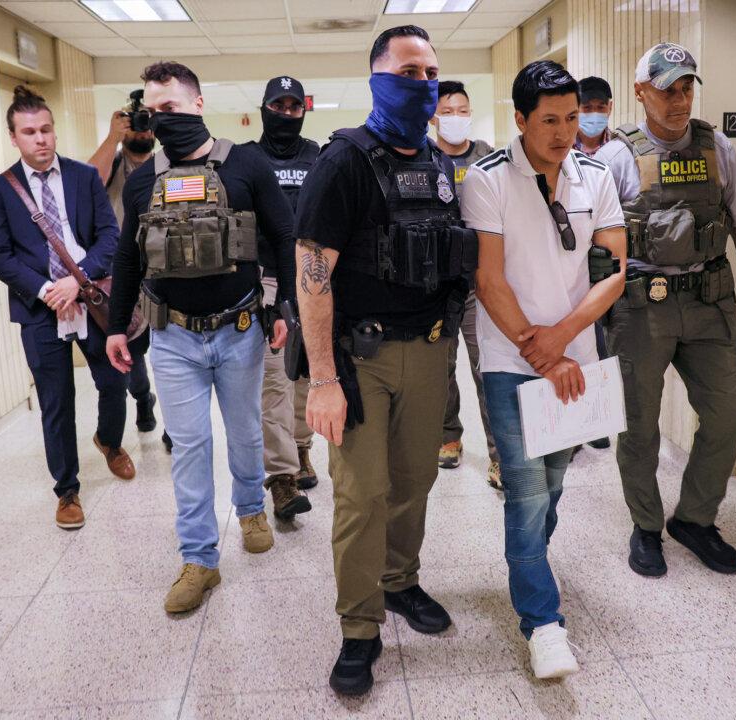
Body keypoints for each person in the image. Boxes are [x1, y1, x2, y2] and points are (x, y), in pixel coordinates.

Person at [295, 25, 476, 696]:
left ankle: (400, 582)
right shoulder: (343, 162)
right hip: (360, 359)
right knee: (361, 496)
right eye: (408, 71)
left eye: (432, 71)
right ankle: (359, 627)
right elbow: (311, 275)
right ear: (376, 79)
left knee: (415, 482)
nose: (424, 83)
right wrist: (322, 380)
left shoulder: (435, 163)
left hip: (430, 353)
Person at [104, 61, 295, 614]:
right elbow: (127, 255)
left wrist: (283, 305)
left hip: (239, 329)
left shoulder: (247, 165)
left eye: (174, 107)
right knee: (189, 446)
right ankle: (199, 559)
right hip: (173, 338)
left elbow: (283, 234)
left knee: (244, 433)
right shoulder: (144, 179)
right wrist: (118, 326)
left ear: (198, 103)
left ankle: (251, 507)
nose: (165, 118)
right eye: (155, 110)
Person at [462, 61, 626, 679]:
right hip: (511, 360)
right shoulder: (488, 179)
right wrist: (539, 351)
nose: (563, 132)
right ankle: (542, 622)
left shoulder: (596, 175)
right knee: (527, 493)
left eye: (571, 118)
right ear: (521, 120)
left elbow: (613, 269)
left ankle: (529, 560)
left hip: (575, 358)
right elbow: (488, 277)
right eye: (549, 120)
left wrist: (560, 344)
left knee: (554, 485)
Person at [594, 43, 736, 578]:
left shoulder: (716, 147)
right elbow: (595, 250)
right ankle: (646, 525)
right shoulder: (614, 158)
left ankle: (695, 519)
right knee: (638, 426)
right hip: (639, 308)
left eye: (686, 88)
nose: (678, 100)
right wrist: (591, 324)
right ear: (640, 92)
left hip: (708, 303)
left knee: (728, 414)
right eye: (666, 89)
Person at [0, 86, 135, 531]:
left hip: (90, 299)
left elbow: (110, 236)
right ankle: (67, 490)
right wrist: (48, 288)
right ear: (14, 137)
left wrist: (77, 279)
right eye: (29, 132)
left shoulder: (85, 177)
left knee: (113, 382)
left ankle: (108, 440)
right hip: (40, 309)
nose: (41, 139)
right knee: (56, 400)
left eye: (46, 129)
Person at [245, 75, 320, 519]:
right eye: (279, 106)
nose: (287, 114)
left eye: (294, 107)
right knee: (275, 380)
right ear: (264, 109)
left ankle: (302, 448)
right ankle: (282, 478)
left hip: (313, 281)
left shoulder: (317, 155)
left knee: (307, 376)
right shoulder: (248, 159)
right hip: (269, 282)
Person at [428, 80, 501, 489]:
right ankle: (448, 436)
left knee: (485, 369)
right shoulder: (422, 158)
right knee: (440, 369)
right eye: (449, 111)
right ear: (433, 117)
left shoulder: (487, 158)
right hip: (435, 284)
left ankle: (499, 455)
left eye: (463, 110)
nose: (457, 117)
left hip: (478, 284)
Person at [88, 92, 170, 451]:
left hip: (163, 271)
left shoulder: (166, 164)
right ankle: (142, 397)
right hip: (119, 273)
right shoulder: (114, 165)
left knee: (169, 352)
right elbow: (87, 183)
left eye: (146, 123)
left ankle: (173, 424)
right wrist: (111, 138)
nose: (141, 130)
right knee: (132, 351)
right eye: (136, 124)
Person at [575, 75, 618, 452]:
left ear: (610, 108)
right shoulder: (557, 147)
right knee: (572, 340)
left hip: (608, 262)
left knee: (605, 344)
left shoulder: (621, 150)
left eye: (598, 108)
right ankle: (570, 425)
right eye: (585, 109)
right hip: (570, 262)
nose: (593, 116)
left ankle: (597, 421)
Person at [575, 76, 614, 157]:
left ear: (610, 107)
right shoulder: (563, 147)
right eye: (587, 107)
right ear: (575, 108)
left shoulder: (619, 146)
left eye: (600, 107)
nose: (594, 114)